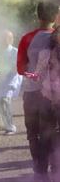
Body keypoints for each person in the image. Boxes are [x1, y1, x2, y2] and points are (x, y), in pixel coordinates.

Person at [17, 1, 59, 182]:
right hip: (54, 94)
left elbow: (20, 68)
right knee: (52, 132)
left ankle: (39, 171)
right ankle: (55, 168)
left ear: (37, 15)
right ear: (56, 16)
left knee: (33, 133)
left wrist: (33, 75)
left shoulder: (27, 38)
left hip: (32, 92)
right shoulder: (57, 36)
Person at [31, 26, 60, 182]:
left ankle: (56, 170)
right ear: (55, 36)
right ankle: (42, 171)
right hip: (48, 99)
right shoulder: (46, 53)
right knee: (46, 137)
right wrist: (32, 75)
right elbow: (38, 74)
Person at [0, 30, 22, 135]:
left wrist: (6, 70)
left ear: (11, 39)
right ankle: (3, 124)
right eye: (2, 37)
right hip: (0, 82)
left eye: (6, 38)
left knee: (5, 101)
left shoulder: (15, 51)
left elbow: (17, 67)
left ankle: (11, 127)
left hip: (11, 81)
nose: (3, 40)